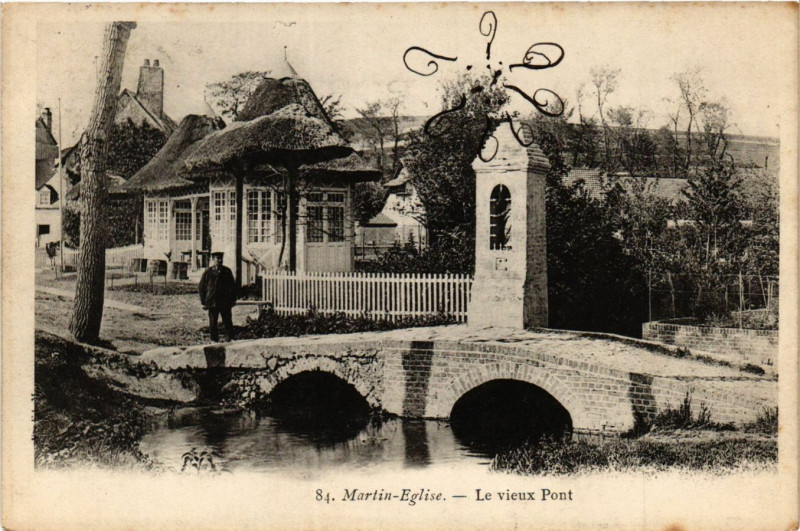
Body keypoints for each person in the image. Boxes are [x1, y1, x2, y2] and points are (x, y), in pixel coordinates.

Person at [198, 251, 237, 342]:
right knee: (213, 322)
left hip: (225, 301)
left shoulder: (227, 271)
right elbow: (201, 287)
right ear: (213, 260)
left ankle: (230, 339)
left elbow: (233, 286)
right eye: (217, 259)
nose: (219, 261)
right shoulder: (208, 272)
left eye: (221, 259)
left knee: (227, 321)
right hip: (212, 302)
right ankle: (214, 341)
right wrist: (203, 301)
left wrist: (233, 299)